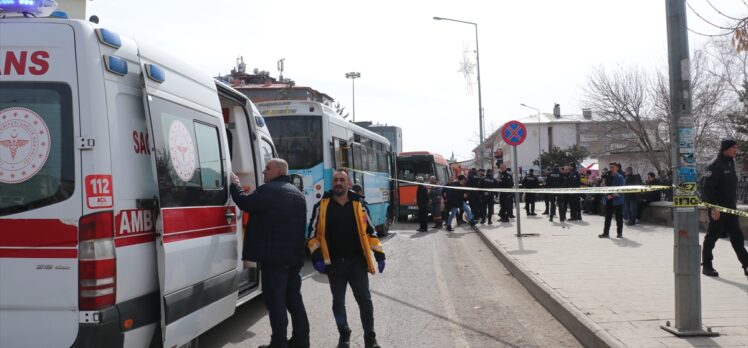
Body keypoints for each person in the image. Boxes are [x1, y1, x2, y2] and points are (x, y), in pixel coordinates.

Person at [230, 159, 310, 348]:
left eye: (268, 168)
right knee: (294, 300)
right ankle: (301, 340)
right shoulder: (298, 194)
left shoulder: (270, 190)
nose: (264, 171)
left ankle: (279, 343)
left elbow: (244, 202)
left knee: (275, 303)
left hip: (274, 259)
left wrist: (235, 185)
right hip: (294, 258)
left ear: (279, 172)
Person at [307, 169, 385, 348]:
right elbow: (312, 235)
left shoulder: (360, 205)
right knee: (338, 303)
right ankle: (344, 334)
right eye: (335, 180)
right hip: (334, 264)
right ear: (332, 183)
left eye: (342, 180)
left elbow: (370, 231)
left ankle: (370, 338)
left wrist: (379, 253)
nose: (338, 183)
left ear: (349, 183)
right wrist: (317, 256)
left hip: (357, 262)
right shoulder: (321, 206)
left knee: (364, 301)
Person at [700, 139, 748, 277]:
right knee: (712, 237)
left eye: (736, 147)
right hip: (718, 209)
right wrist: (714, 208)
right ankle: (707, 266)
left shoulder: (730, 162)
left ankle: (746, 264)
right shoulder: (714, 165)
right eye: (733, 147)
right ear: (725, 149)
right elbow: (707, 189)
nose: (736, 150)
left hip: (731, 208)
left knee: (737, 237)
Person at [599, 163, 625, 238]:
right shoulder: (608, 177)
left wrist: (612, 195)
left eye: (613, 167)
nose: (611, 169)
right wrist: (603, 179)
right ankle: (605, 233)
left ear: (617, 168)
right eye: (610, 167)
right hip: (609, 199)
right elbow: (604, 188)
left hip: (618, 200)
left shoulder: (620, 177)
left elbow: (621, 190)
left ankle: (619, 233)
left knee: (619, 218)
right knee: (607, 217)